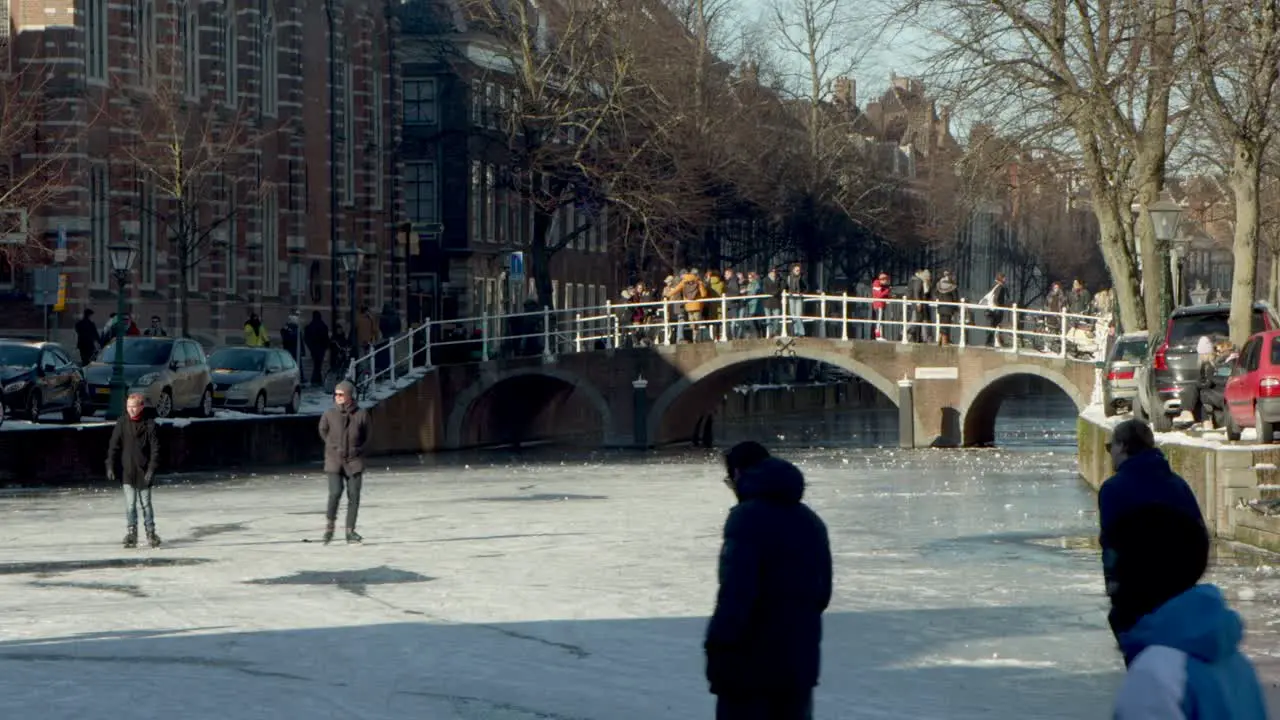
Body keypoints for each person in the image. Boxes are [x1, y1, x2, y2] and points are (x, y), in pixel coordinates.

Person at [1101, 419, 1267, 718]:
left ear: (1123, 447)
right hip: (1180, 593)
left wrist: (1117, 596)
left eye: (1109, 446)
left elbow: (1112, 547)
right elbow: (1198, 536)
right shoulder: (1237, 666)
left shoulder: (1155, 677)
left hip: (1142, 600)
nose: (1109, 453)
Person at [706, 442, 832, 720]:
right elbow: (821, 595)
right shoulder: (811, 521)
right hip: (799, 665)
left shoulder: (746, 519)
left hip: (749, 669)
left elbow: (736, 596)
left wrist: (717, 650)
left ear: (738, 474)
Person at [106, 393, 161, 549]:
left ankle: (151, 533)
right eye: (128, 406)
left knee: (146, 504)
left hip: (143, 471)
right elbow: (113, 446)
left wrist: (151, 469)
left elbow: (155, 450)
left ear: (141, 407)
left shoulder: (149, 424)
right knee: (130, 505)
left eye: (134, 406)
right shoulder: (122, 423)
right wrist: (110, 464)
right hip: (127, 471)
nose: (131, 409)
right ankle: (132, 533)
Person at [318, 380, 370, 544]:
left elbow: (368, 436)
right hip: (334, 460)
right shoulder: (329, 414)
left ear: (349, 396)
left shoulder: (361, 414)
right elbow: (322, 430)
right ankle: (330, 526)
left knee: (354, 495)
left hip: (354, 461)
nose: (337, 397)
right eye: (336, 394)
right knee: (335, 492)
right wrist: (331, 445)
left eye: (341, 394)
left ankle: (350, 531)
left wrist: (358, 449)